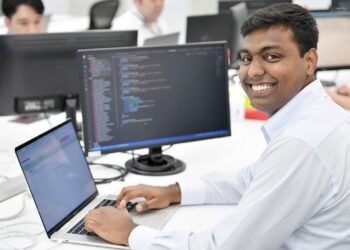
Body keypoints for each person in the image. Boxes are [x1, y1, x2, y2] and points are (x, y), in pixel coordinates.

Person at [85, 3, 350, 249]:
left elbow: (224, 246)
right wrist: (174, 192)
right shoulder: (316, 117)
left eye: (271, 56)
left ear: (310, 61)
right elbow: (251, 179)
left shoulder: (301, 144)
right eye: (246, 58)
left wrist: (130, 233)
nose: (253, 71)